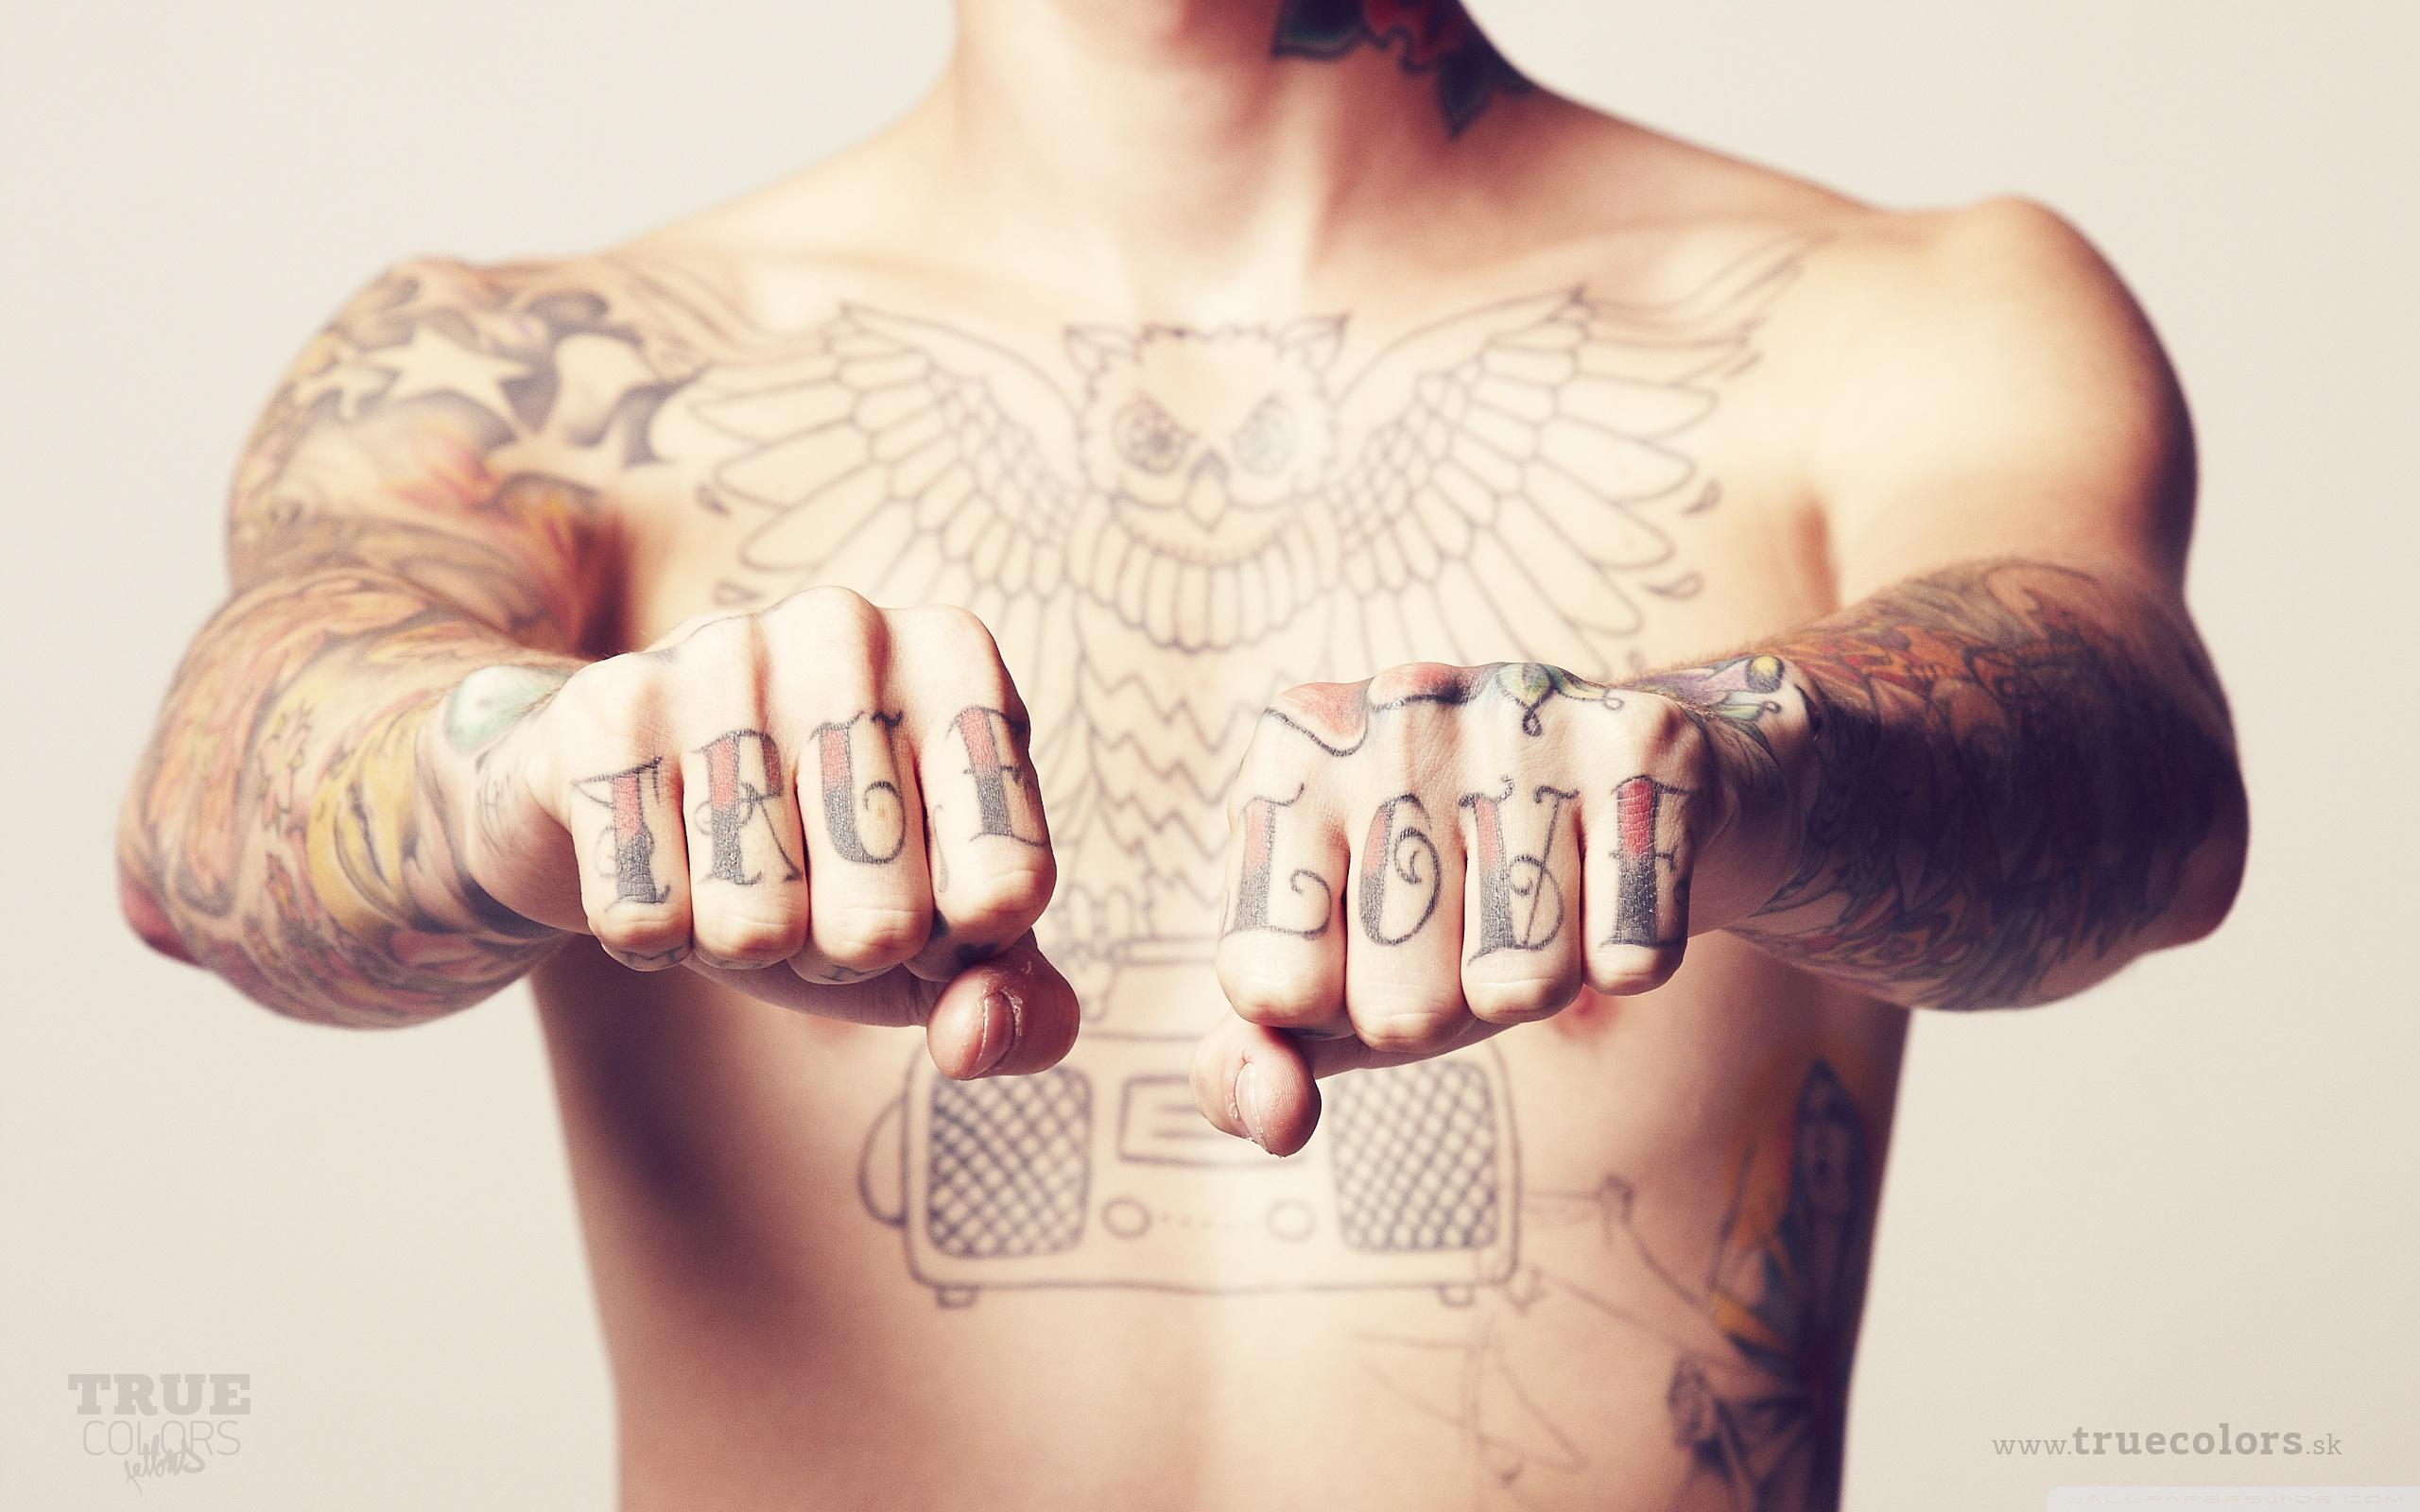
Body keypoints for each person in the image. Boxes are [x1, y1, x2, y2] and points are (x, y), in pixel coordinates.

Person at [116, 2, 2248, 1506]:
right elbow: (217, 799)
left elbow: (2142, 789)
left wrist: (1738, 766)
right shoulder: (531, 375)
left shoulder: (1901, 318)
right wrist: (537, 773)